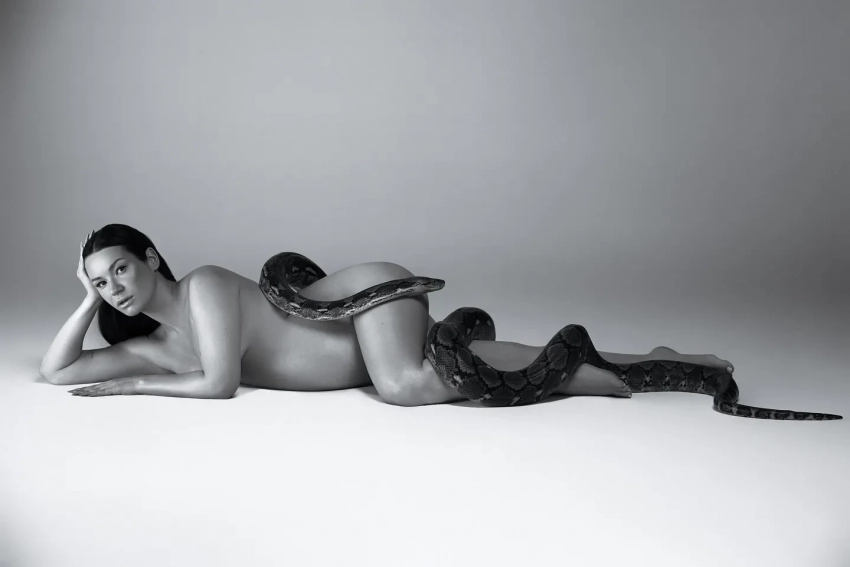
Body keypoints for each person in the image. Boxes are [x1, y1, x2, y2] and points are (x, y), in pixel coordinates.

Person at [39, 224, 734, 403]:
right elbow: (57, 371)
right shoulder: (161, 347)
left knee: (401, 385)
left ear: (152, 258)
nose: (114, 287)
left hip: (367, 301)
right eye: (101, 283)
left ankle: (591, 379)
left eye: (119, 269)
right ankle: (661, 360)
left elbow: (219, 382)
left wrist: (133, 386)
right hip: (367, 344)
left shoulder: (206, 287)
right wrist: (83, 298)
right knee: (486, 360)